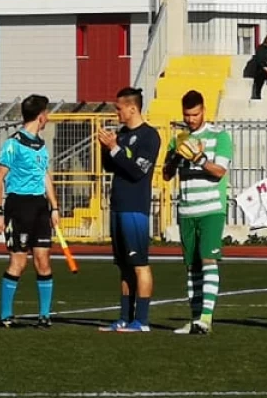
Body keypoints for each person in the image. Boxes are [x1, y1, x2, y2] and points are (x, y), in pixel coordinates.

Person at [163, 89, 233, 335]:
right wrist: (173, 157)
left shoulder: (219, 136)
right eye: (187, 115)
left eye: (195, 114)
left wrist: (199, 158)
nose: (191, 119)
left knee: (208, 259)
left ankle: (206, 318)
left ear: (204, 110)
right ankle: (194, 320)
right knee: (191, 266)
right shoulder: (178, 139)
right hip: (187, 209)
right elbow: (166, 174)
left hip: (211, 208)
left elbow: (219, 171)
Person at [0, 94, 58, 329]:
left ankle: (44, 315)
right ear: (41, 116)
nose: (48, 117)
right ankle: (5, 315)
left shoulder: (41, 146)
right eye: (47, 113)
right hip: (18, 206)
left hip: (40, 206)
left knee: (43, 260)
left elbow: (44, 176)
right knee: (18, 262)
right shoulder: (13, 144)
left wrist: (54, 207)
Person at [100, 87, 161, 332]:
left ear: (132, 108)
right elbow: (111, 167)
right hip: (118, 205)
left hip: (135, 208)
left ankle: (142, 320)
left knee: (139, 264)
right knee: (124, 266)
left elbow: (137, 171)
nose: (116, 112)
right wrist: (106, 148)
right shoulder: (123, 134)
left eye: (119, 107)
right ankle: (124, 317)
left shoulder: (149, 136)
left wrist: (114, 149)